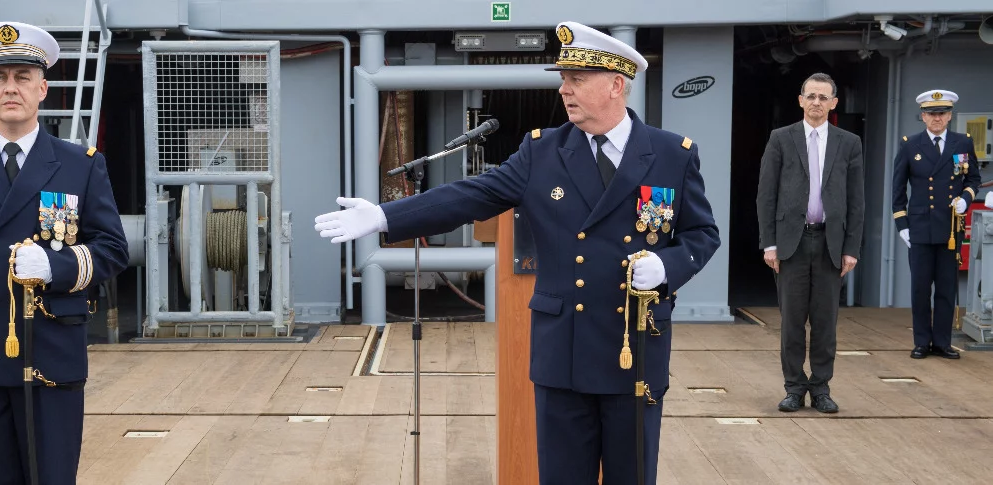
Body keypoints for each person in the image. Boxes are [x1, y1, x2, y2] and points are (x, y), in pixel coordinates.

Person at [314, 21, 719, 484]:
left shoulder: (671, 154)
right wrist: (387, 217)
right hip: (564, 351)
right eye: (563, 79)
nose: (564, 90)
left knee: (633, 475)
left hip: (634, 348)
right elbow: (471, 195)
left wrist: (666, 266)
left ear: (615, 85)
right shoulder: (542, 152)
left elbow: (702, 234)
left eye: (577, 80)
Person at [0, 21, 128, 484]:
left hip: (49, 349)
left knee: (51, 476)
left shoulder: (80, 164)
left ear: (43, 88)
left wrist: (54, 266)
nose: (11, 88)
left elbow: (113, 248)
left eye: (22, 77)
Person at [756, 73, 864, 414]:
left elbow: (856, 200)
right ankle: (793, 388)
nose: (817, 102)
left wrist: (851, 248)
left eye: (824, 97)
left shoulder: (849, 143)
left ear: (834, 103)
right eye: (811, 96)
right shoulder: (780, 139)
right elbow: (766, 195)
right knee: (791, 321)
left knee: (824, 321)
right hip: (792, 242)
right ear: (801, 100)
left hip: (831, 242)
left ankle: (820, 388)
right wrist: (768, 243)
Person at [891, 89, 980, 360]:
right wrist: (902, 225)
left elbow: (972, 179)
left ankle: (942, 342)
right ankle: (921, 342)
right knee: (920, 288)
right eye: (931, 113)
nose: (937, 118)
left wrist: (966, 198)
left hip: (950, 228)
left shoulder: (962, 143)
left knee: (946, 287)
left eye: (941, 113)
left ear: (950, 116)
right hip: (919, 228)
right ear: (923, 116)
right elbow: (898, 190)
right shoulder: (910, 144)